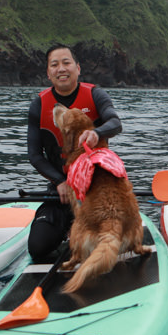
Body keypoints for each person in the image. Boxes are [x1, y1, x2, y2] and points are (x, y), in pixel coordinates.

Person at [26, 44, 123, 262]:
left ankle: (90, 229)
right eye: (55, 65)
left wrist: (97, 133)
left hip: (97, 189)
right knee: (38, 247)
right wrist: (60, 181)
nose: (61, 68)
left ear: (77, 68)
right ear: (48, 73)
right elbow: (34, 154)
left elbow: (116, 123)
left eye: (66, 62)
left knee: (104, 246)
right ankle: (69, 229)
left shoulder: (95, 94)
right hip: (61, 189)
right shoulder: (38, 105)